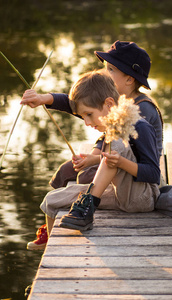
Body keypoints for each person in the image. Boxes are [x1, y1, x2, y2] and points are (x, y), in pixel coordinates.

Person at [22, 40, 163, 249]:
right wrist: (44, 98)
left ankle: (86, 207)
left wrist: (98, 157)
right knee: (63, 178)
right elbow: (81, 106)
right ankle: (53, 233)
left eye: (111, 70)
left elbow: (137, 157)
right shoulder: (113, 104)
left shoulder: (141, 112)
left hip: (137, 182)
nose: (106, 73)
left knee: (85, 174)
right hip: (119, 175)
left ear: (129, 79)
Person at [38, 69, 160, 235]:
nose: (87, 122)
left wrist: (121, 163)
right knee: (52, 200)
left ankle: (87, 207)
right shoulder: (112, 125)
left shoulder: (140, 126)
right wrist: (45, 98)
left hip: (142, 198)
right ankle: (50, 248)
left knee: (115, 139)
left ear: (109, 104)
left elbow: (153, 174)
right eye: (83, 116)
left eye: (89, 114)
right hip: (120, 196)